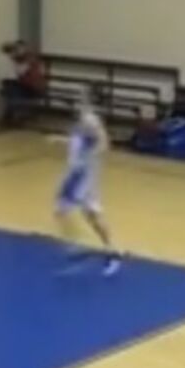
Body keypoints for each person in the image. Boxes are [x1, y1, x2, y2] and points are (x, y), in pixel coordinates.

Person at [55, 100, 123, 276]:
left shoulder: (90, 120)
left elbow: (104, 141)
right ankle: (111, 250)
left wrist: (91, 154)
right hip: (83, 175)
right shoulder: (81, 124)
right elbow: (78, 142)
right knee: (92, 215)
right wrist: (60, 140)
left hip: (81, 176)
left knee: (62, 210)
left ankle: (77, 244)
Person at [0, 40, 48, 130]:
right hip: (23, 86)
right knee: (10, 89)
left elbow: (22, 72)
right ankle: (8, 118)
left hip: (32, 88)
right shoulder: (16, 59)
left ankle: (7, 119)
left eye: (20, 49)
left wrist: (14, 60)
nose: (18, 51)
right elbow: (18, 73)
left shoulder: (29, 58)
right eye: (17, 49)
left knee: (11, 90)